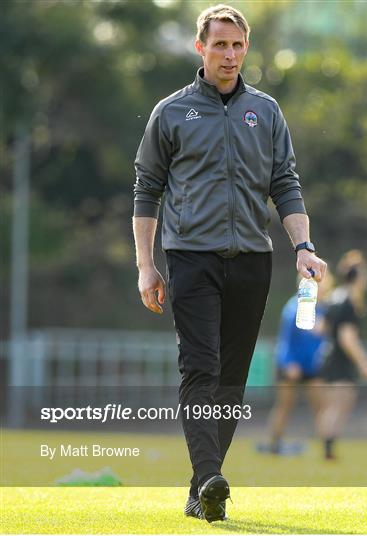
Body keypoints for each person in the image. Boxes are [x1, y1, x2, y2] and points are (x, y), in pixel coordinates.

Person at [132, 4, 327, 523]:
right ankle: (211, 476)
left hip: (253, 261)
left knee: (233, 378)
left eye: (238, 45)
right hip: (190, 259)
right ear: (201, 48)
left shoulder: (265, 111)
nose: (230, 54)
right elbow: (147, 191)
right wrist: (146, 267)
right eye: (220, 44)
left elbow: (285, 183)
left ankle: (203, 489)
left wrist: (303, 248)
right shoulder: (171, 113)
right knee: (201, 367)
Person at [263, 271, 334, 455]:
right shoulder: (293, 307)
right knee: (284, 406)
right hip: (290, 365)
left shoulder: (322, 309)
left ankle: (327, 448)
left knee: (321, 406)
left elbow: (323, 337)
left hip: (312, 366)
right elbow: (285, 341)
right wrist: (289, 363)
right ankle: (274, 444)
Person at [317, 250, 367, 460]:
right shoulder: (348, 302)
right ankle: (328, 449)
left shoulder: (334, 297)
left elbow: (320, 328)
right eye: (365, 275)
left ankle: (327, 448)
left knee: (332, 405)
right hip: (340, 358)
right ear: (358, 277)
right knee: (340, 404)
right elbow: (347, 338)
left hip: (329, 356)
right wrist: (364, 362)